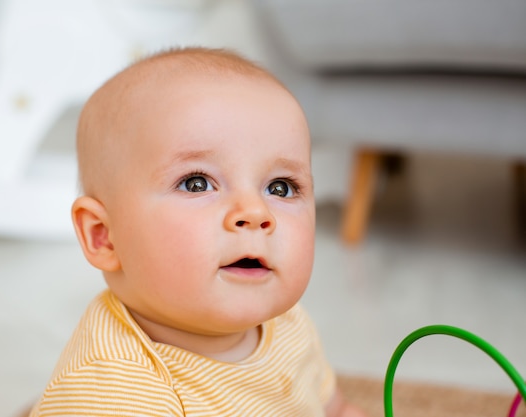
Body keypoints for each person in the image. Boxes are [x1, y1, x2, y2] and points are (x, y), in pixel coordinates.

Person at [29, 47, 366, 417]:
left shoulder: (287, 323)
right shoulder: (113, 394)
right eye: (196, 183)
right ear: (103, 236)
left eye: (281, 187)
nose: (255, 212)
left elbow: (333, 409)